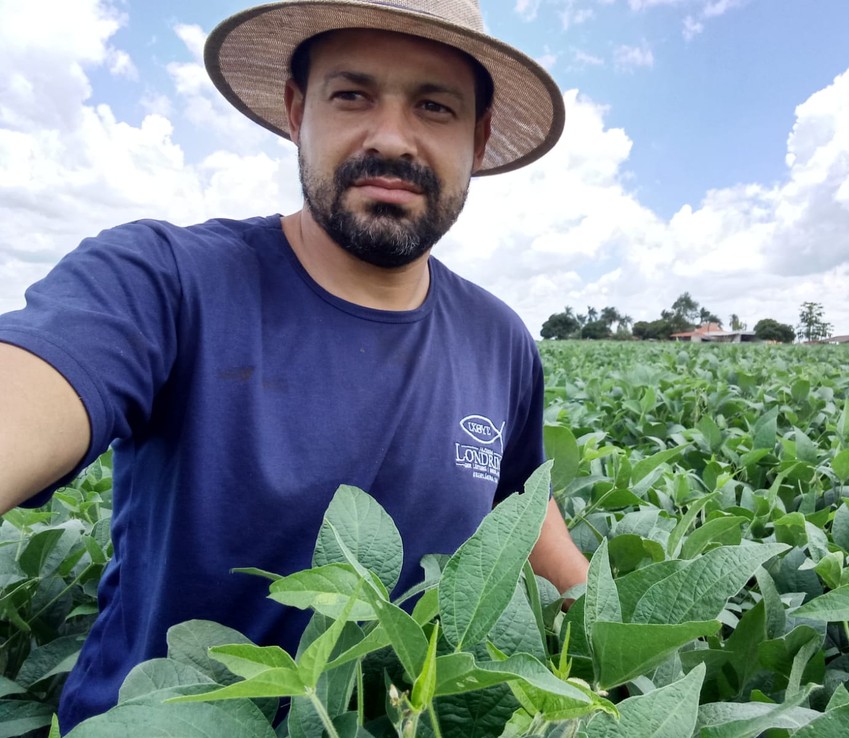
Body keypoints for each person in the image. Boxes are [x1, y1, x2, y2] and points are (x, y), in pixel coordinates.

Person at [0, 0, 589, 731]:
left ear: (478, 137)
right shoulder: (165, 281)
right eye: (353, 95)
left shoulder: (500, 339)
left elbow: (519, 509)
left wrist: (627, 660)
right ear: (295, 110)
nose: (392, 138)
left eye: (435, 106)